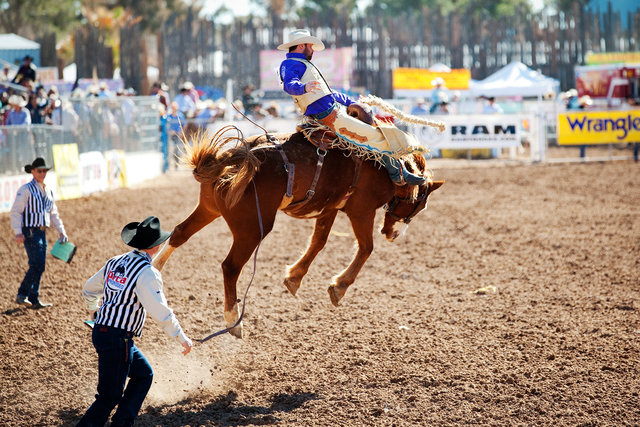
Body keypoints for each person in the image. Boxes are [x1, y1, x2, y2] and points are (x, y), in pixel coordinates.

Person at [78, 216, 192, 427]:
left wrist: (94, 309)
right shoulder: (147, 273)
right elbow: (160, 312)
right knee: (109, 396)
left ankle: (123, 421)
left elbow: (89, 288)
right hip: (119, 338)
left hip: (103, 332)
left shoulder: (115, 261)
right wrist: (181, 337)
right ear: (156, 246)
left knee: (143, 374)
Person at [278, 29, 426, 186]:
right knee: (377, 136)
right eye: (311, 46)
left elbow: (328, 93)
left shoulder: (302, 64)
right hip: (331, 117)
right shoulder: (291, 64)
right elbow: (289, 85)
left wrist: (350, 102)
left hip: (332, 113)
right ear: (302, 45)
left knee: (374, 132)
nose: (313, 49)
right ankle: (397, 173)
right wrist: (304, 87)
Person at [10, 158, 68, 308]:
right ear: (33, 171)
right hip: (30, 231)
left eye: (44, 171)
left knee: (38, 264)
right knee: (38, 264)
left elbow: (53, 213)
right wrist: (18, 232)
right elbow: (16, 212)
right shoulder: (26, 190)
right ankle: (23, 294)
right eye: (39, 171)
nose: (42, 173)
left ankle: (33, 297)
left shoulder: (48, 190)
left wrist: (61, 231)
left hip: (41, 232)